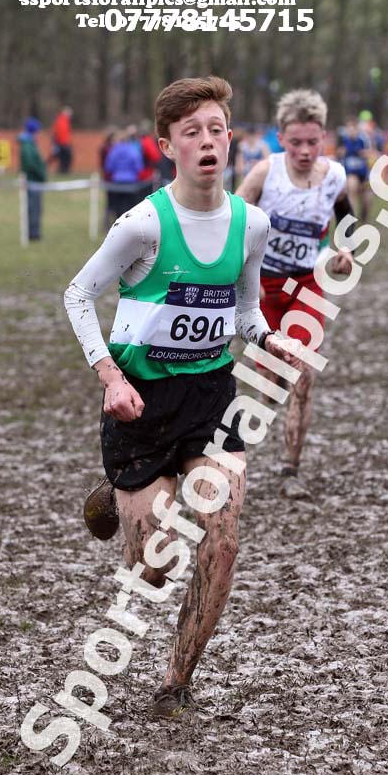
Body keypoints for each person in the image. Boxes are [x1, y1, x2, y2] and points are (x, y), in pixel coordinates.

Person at [64, 76, 296, 717]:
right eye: (191, 132)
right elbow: (77, 295)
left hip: (212, 400)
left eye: (216, 129)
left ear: (230, 138)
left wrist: (268, 339)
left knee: (221, 538)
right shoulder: (141, 225)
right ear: (168, 145)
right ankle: (118, 493)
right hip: (140, 404)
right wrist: (110, 377)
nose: (207, 141)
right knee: (156, 565)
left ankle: (176, 682)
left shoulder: (252, 224)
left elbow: (245, 304)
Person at [237, 89, 352, 489]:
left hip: (307, 285)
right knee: (272, 382)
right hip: (263, 289)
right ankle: (271, 383)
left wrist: (345, 251)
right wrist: (243, 278)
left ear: (324, 139)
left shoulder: (335, 176)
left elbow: (347, 218)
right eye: (296, 142)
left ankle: (291, 470)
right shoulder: (264, 173)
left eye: (313, 142)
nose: (305, 151)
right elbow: (234, 225)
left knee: (304, 373)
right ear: (281, 138)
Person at [336, 116, 372, 222]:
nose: (351, 130)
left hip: (363, 173)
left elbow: (370, 153)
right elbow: (337, 153)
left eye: (353, 128)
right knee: (352, 190)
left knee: (367, 201)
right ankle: (352, 218)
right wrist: (341, 152)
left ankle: (364, 218)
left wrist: (363, 153)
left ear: (357, 129)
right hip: (350, 172)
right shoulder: (343, 140)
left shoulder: (363, 139)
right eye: (349, 128)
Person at [104, 128, 144, 218]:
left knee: (118, 208)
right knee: (131, 207)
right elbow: (139, 167)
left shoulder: (114, 150)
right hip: (131, 182)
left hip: (117, 182)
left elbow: (108, 167)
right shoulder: (133, 150)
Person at [17, 117, 47, 240]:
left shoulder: (30, 144)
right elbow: (31, 164)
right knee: (33, 208)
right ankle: (33, 233)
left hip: (34, 181)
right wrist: (41, 173)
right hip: (32, 181)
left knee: (36, 208)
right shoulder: (28, 146)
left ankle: (34, 231)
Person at [50, 106, 73, 174]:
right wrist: (55, 142)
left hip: (63, 142)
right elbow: (56, 132)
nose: (70, 115)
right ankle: (63, 170)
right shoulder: (61, 121)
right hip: (61, 143)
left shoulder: (65, 121)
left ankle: (63, 170)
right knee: (62, 156)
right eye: (69, 114)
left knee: (61, 156)